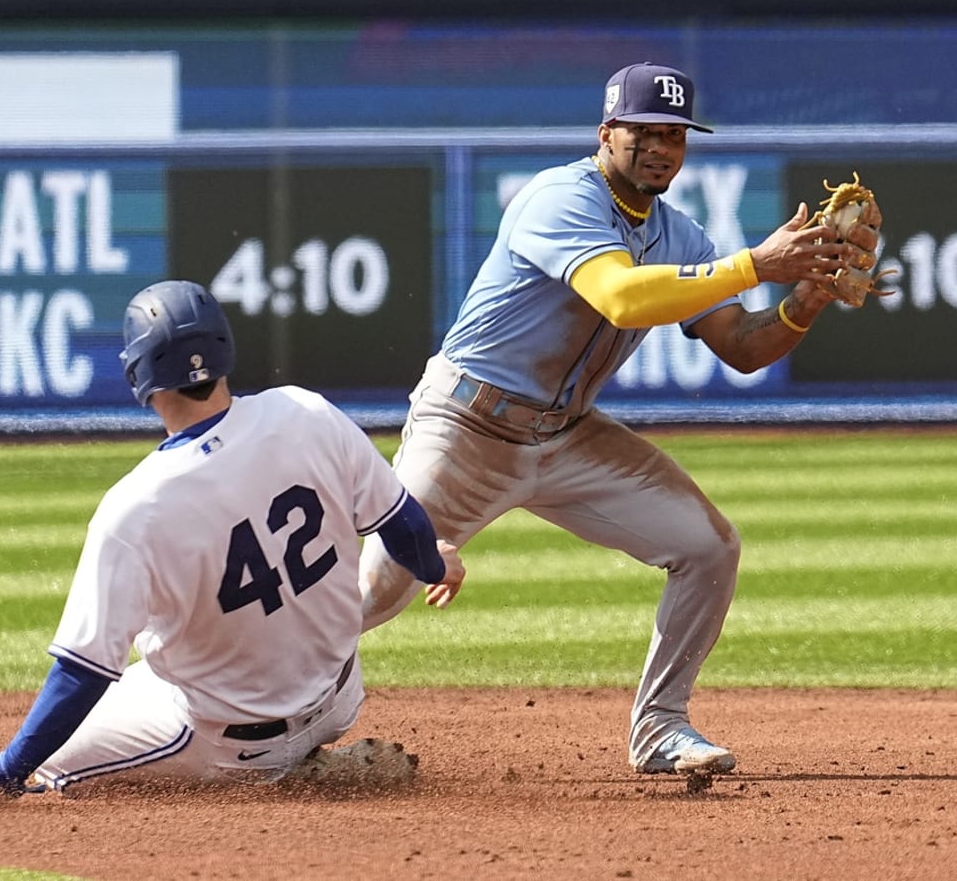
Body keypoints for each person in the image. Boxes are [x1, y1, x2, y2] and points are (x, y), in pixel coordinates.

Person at [358, 62, 883, 776]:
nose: (662, 148)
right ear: (607, 133)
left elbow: (745, 347)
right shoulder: (559, 197)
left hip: (566, 432)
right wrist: (757, 264)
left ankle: (662, 728)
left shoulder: (679, 233)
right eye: (644, 133)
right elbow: (621, 299)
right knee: (374, 589)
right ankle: (252, 705)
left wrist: (807, 300)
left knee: (708, 549)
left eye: (675, 135)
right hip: (468, 425)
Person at [0, 280, 464, 803]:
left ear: (138, 375)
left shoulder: (136, 508)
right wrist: (435, 565)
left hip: (228, 743)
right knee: (151, 674)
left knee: (51, 765)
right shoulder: (307, 411)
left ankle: (292, 776)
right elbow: (406, 526)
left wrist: (3, 770)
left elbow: (83, 672)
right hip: (340, 696)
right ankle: (300, 753)